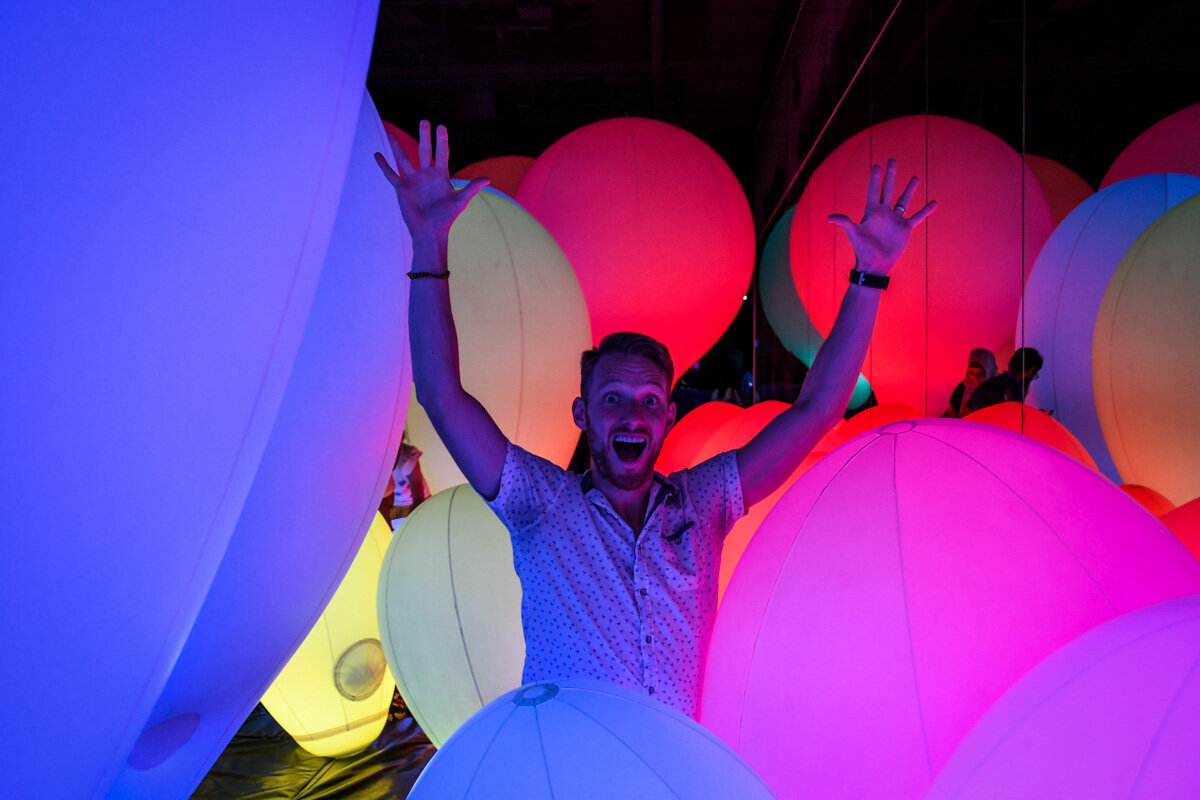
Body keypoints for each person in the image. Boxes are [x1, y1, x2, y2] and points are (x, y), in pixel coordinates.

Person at [374, 120, 935, 719]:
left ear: (668, 415)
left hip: (676, 774)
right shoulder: (541, 502)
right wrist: (428, 242)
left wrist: (870, 274)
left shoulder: (706, 501)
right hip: (576, 776)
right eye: (613, 398)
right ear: (582, 414)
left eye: (648, 400)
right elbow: (440, 395)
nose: (632, 413)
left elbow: (818, 408)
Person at [964, 347, 1044, 413]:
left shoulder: (988, 384)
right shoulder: (1014, 389)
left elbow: (966, 412)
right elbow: (1010, 418)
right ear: (1031, 370)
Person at [943, 347, 998, 418]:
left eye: (981, 374)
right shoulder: (962, 388)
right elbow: (951, 417)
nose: (976, 378)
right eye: (972, 373)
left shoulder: (998, 389)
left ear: (990, 371)